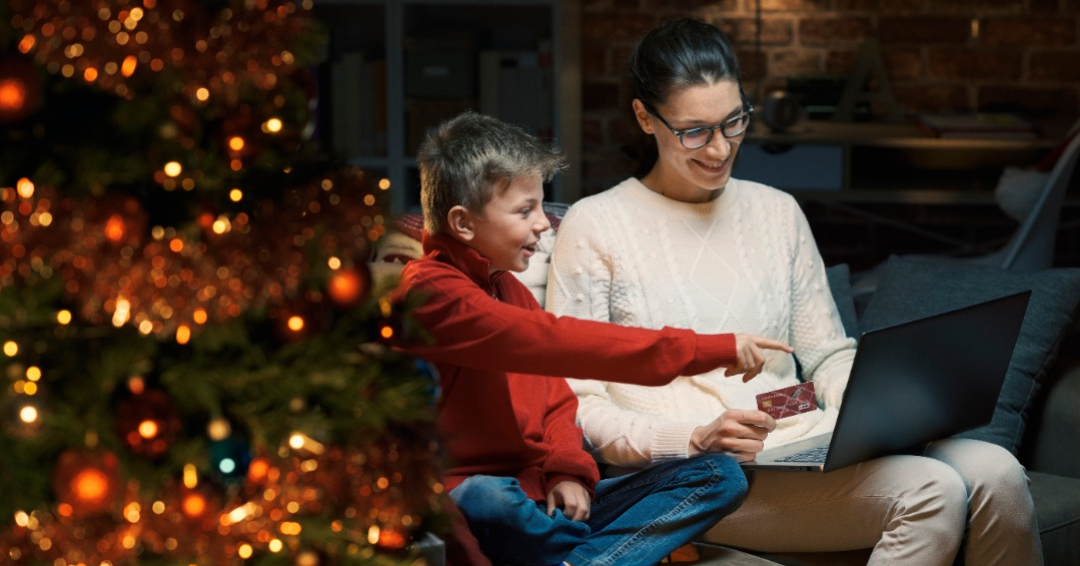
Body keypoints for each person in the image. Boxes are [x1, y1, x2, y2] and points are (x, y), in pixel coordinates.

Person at [546, 17, 1043, 566]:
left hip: (800, 440)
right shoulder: (596, 226)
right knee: (931, 490)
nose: (719, 148)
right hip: (698, 477)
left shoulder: (777, 212)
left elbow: (826, 354)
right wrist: (693, 436)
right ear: (645, 116)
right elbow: (579, 404)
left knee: (997, 470)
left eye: (733, 122)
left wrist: (874, 404)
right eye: (695, 130)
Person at [393, 110, 793, 566]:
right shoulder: (430, 293)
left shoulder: (511, 288)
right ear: (463, 224)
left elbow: (557, 404)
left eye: (542, 206)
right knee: (489, 497)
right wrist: (708, 348)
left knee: (719, 476)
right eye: (525, 211)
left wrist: (569, 473)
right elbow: (554, 341)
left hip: (545, 501)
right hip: (481, 501)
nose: (544, 223)